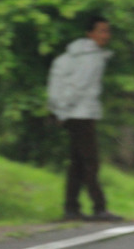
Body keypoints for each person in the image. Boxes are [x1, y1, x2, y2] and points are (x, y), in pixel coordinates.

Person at [47, 16, 124, 222]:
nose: (106, 35)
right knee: (91, 163)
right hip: (80, 115)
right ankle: (99, 208)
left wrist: (60, 111)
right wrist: (63, 111)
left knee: (78, 164)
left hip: (75, 114)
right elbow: (78, 87)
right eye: (101, 31)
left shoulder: (75, 55)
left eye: (107, 31)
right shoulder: (91, 58)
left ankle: (71, 208)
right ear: (89, 34)